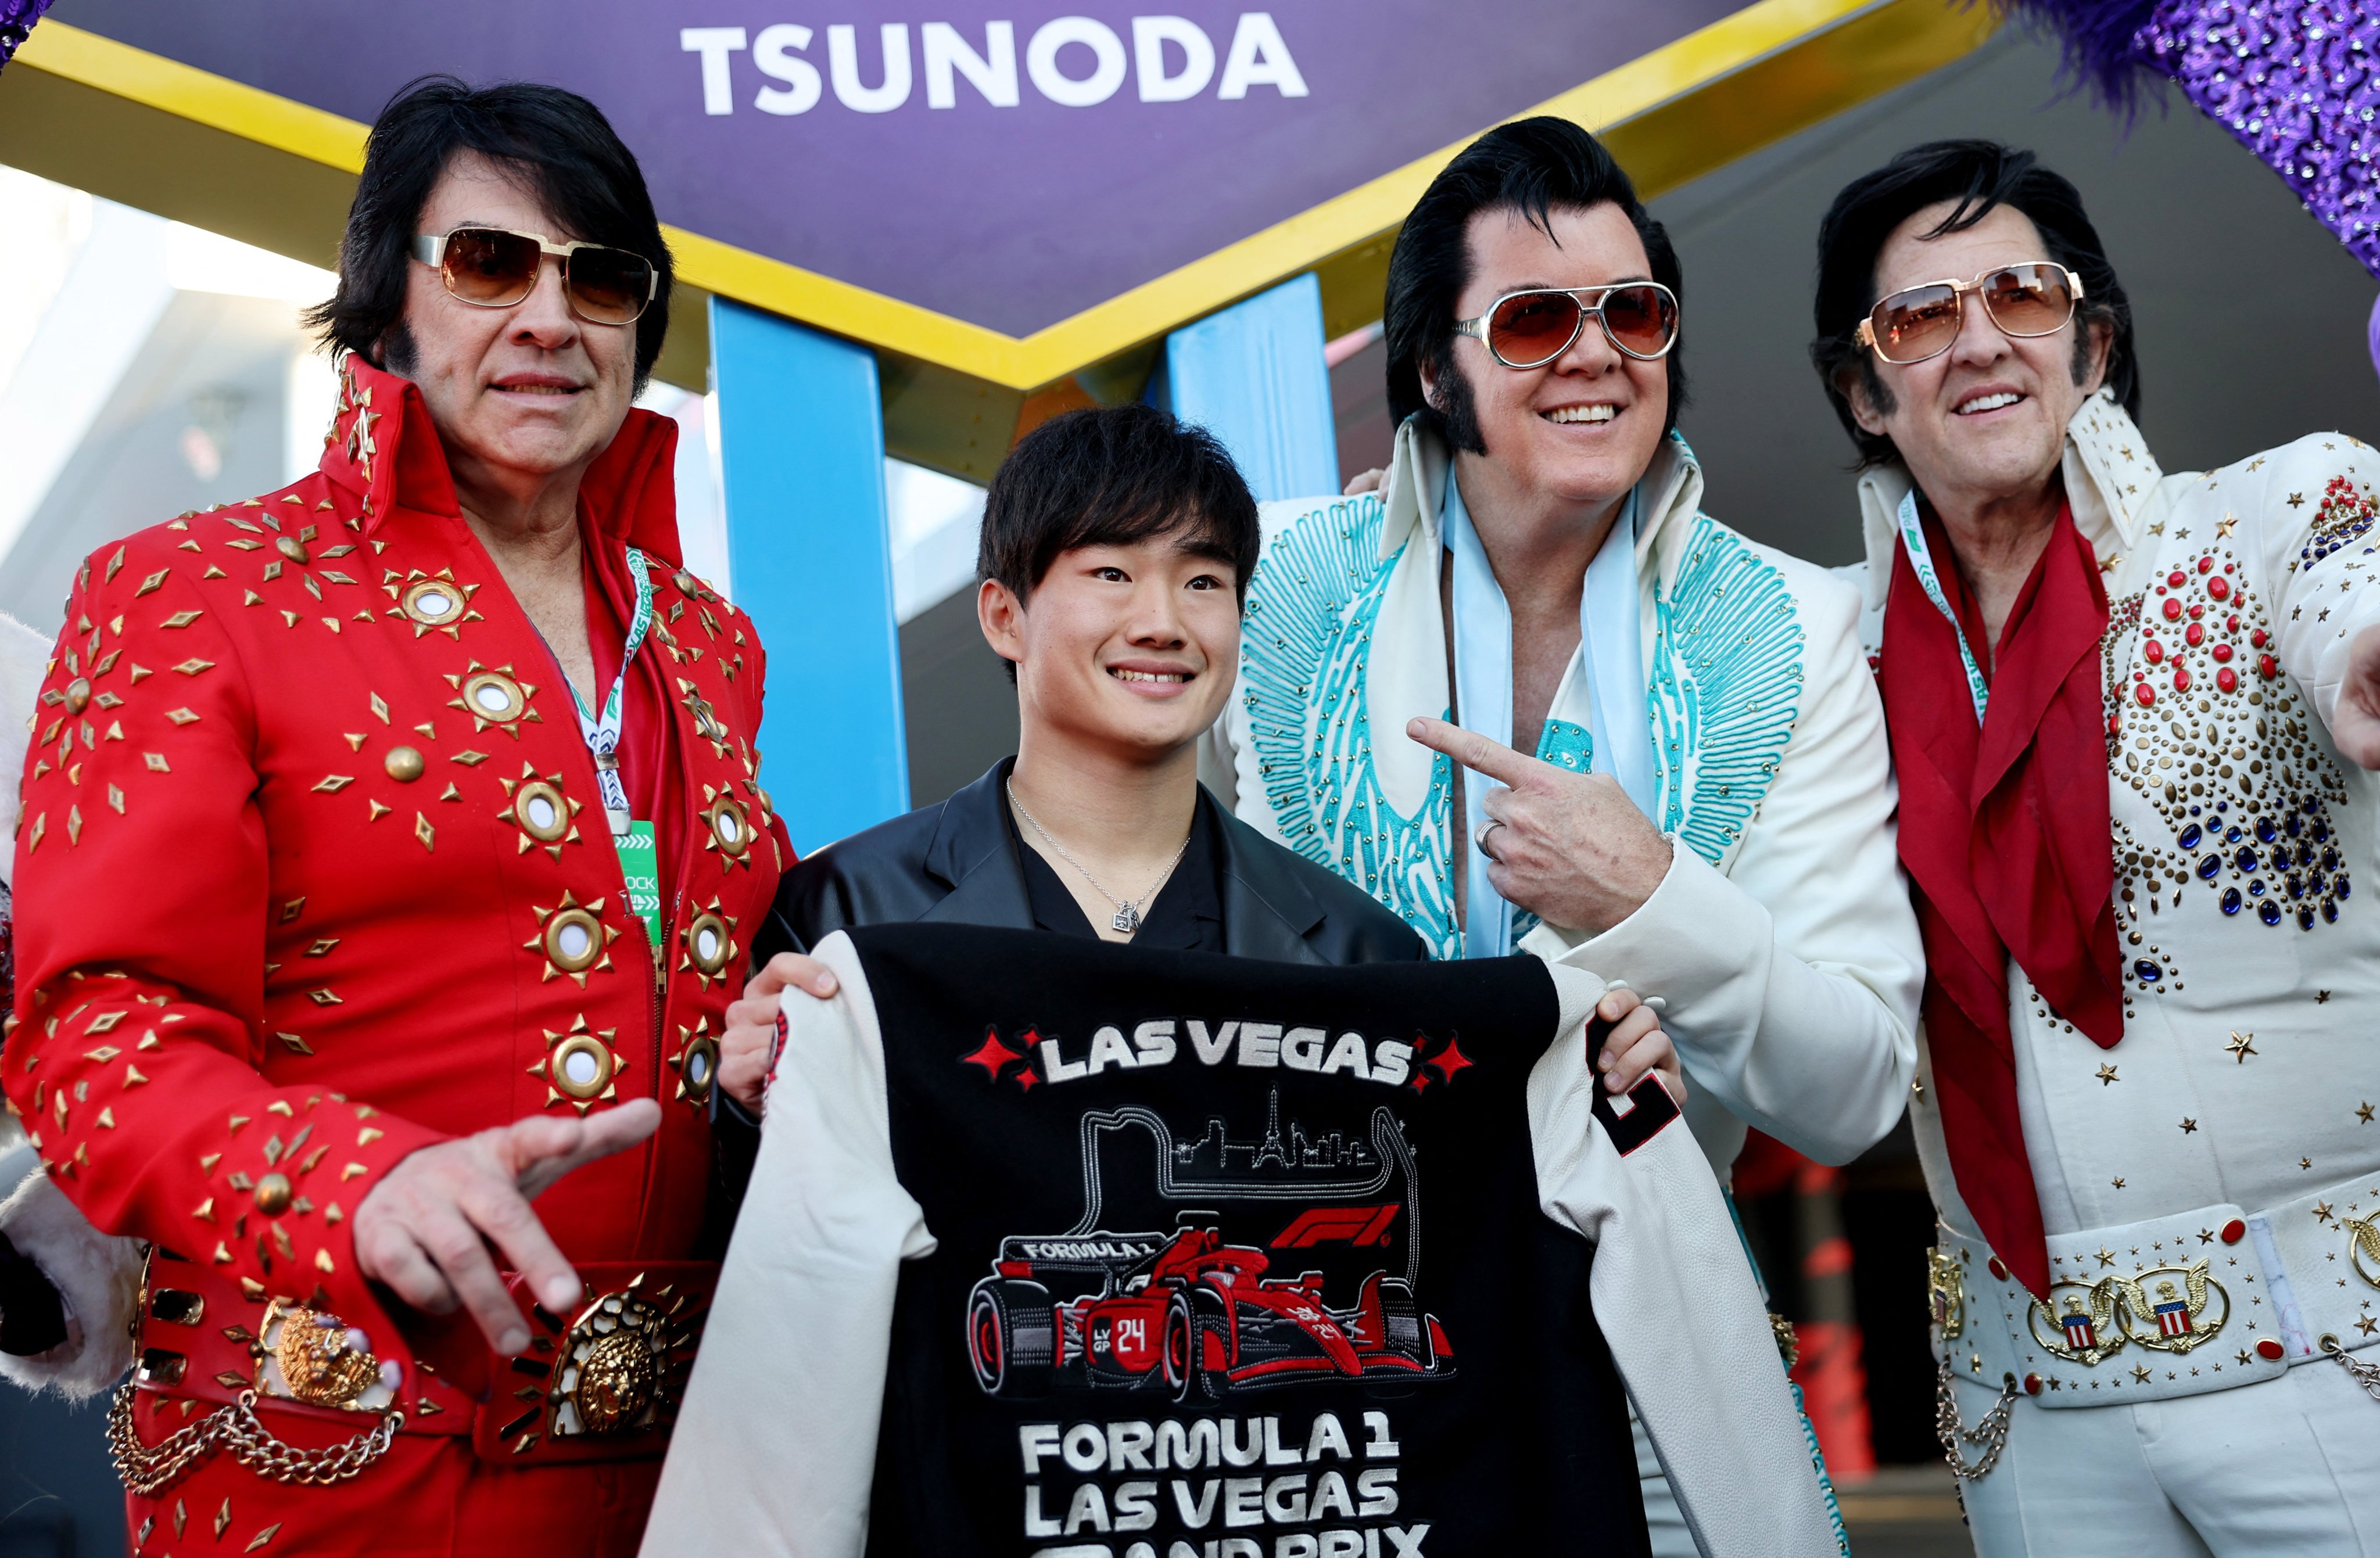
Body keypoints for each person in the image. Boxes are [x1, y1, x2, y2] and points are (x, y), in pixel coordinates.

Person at [3, 78, 785, 1555]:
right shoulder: (188, 593)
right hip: (335, 1469)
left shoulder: (705, 641)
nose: (552, 318)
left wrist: (772, 1042)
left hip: (693, 1478)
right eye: (491, 264)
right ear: (386, 308)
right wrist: (357, 1183)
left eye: (602, 278)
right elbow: (98, 1037)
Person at [1207, 115, 1923, 1548]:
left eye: (1631, 313)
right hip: (1313, 1359)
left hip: (1646, 1358)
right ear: (1432, 368)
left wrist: (1650, 896)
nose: (1595, 353)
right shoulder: (1271, 580)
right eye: (1533, 319)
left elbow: (1849, 1091)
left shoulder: (1796, 621)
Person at [1810, 138, 2380, 1554]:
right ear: (1861, 390)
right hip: (2028, 1419)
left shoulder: (2266, 514)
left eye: (2021, 294)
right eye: (1918, 317)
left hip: (2339, 1373)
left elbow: (2348, 586)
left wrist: (2366, 652)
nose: (1979, 340)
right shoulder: (1823, 650)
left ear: (2094, 341)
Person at [714, 402, 1680, 1125]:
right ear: (1005, 615)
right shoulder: (844, 916)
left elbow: (1435, 1224)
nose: (1163, 622)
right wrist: (749, 1108)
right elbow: (778, 1255)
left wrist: (1598, 1099)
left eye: (1204, 580)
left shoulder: (1356, 954)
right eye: (1111, 573)